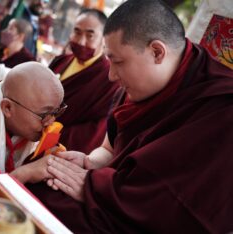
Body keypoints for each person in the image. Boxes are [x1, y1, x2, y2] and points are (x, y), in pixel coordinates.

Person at [20, 0, 233, 233]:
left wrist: (94, 186)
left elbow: (177, 209)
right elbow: (109, 149)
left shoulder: (221, 109)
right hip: (113, 194)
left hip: (140, 218)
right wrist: (91, 162)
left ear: (157, 52)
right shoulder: (139, 87)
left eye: (118, 62)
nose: (111, 75)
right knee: (39, 186)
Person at [49, 8, 119, 154]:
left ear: (104, 39)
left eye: (90, 35)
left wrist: (47, 134)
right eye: (77, 32)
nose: (81, 41)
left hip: (58, 149)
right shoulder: (60, 61)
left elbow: (95, 130)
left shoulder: (109, 78)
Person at [0, 18, 35, 83]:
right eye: (7, 27)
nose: (5, 31)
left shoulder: (27, 61)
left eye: (10, 28)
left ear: (20, 36)